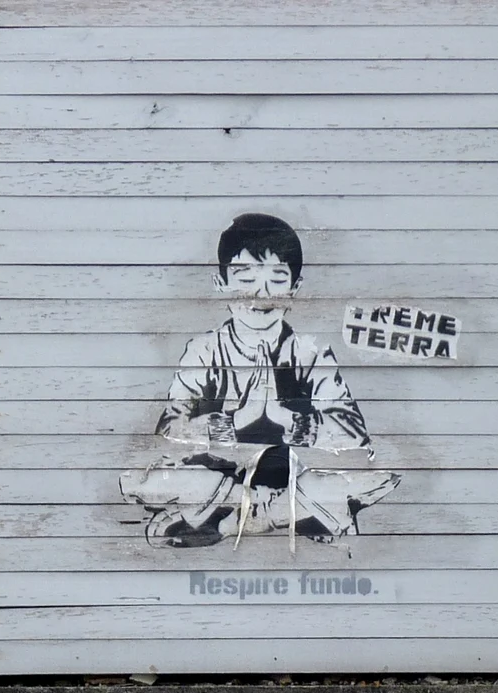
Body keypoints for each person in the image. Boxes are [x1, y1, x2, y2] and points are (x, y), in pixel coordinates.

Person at [119, 211, 401, 547]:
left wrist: (287, 420)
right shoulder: (204, 350)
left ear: (295, 288)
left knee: (373, 473)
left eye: (277, 279)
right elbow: (170, 432)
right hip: (221, 476)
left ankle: (230, 520)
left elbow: (354, 435)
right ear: (221, 284)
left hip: (291, 476)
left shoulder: (309, 352)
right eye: (245, 277)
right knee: (148, 478)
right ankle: (284, 513)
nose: (260, 293)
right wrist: (237, 421)